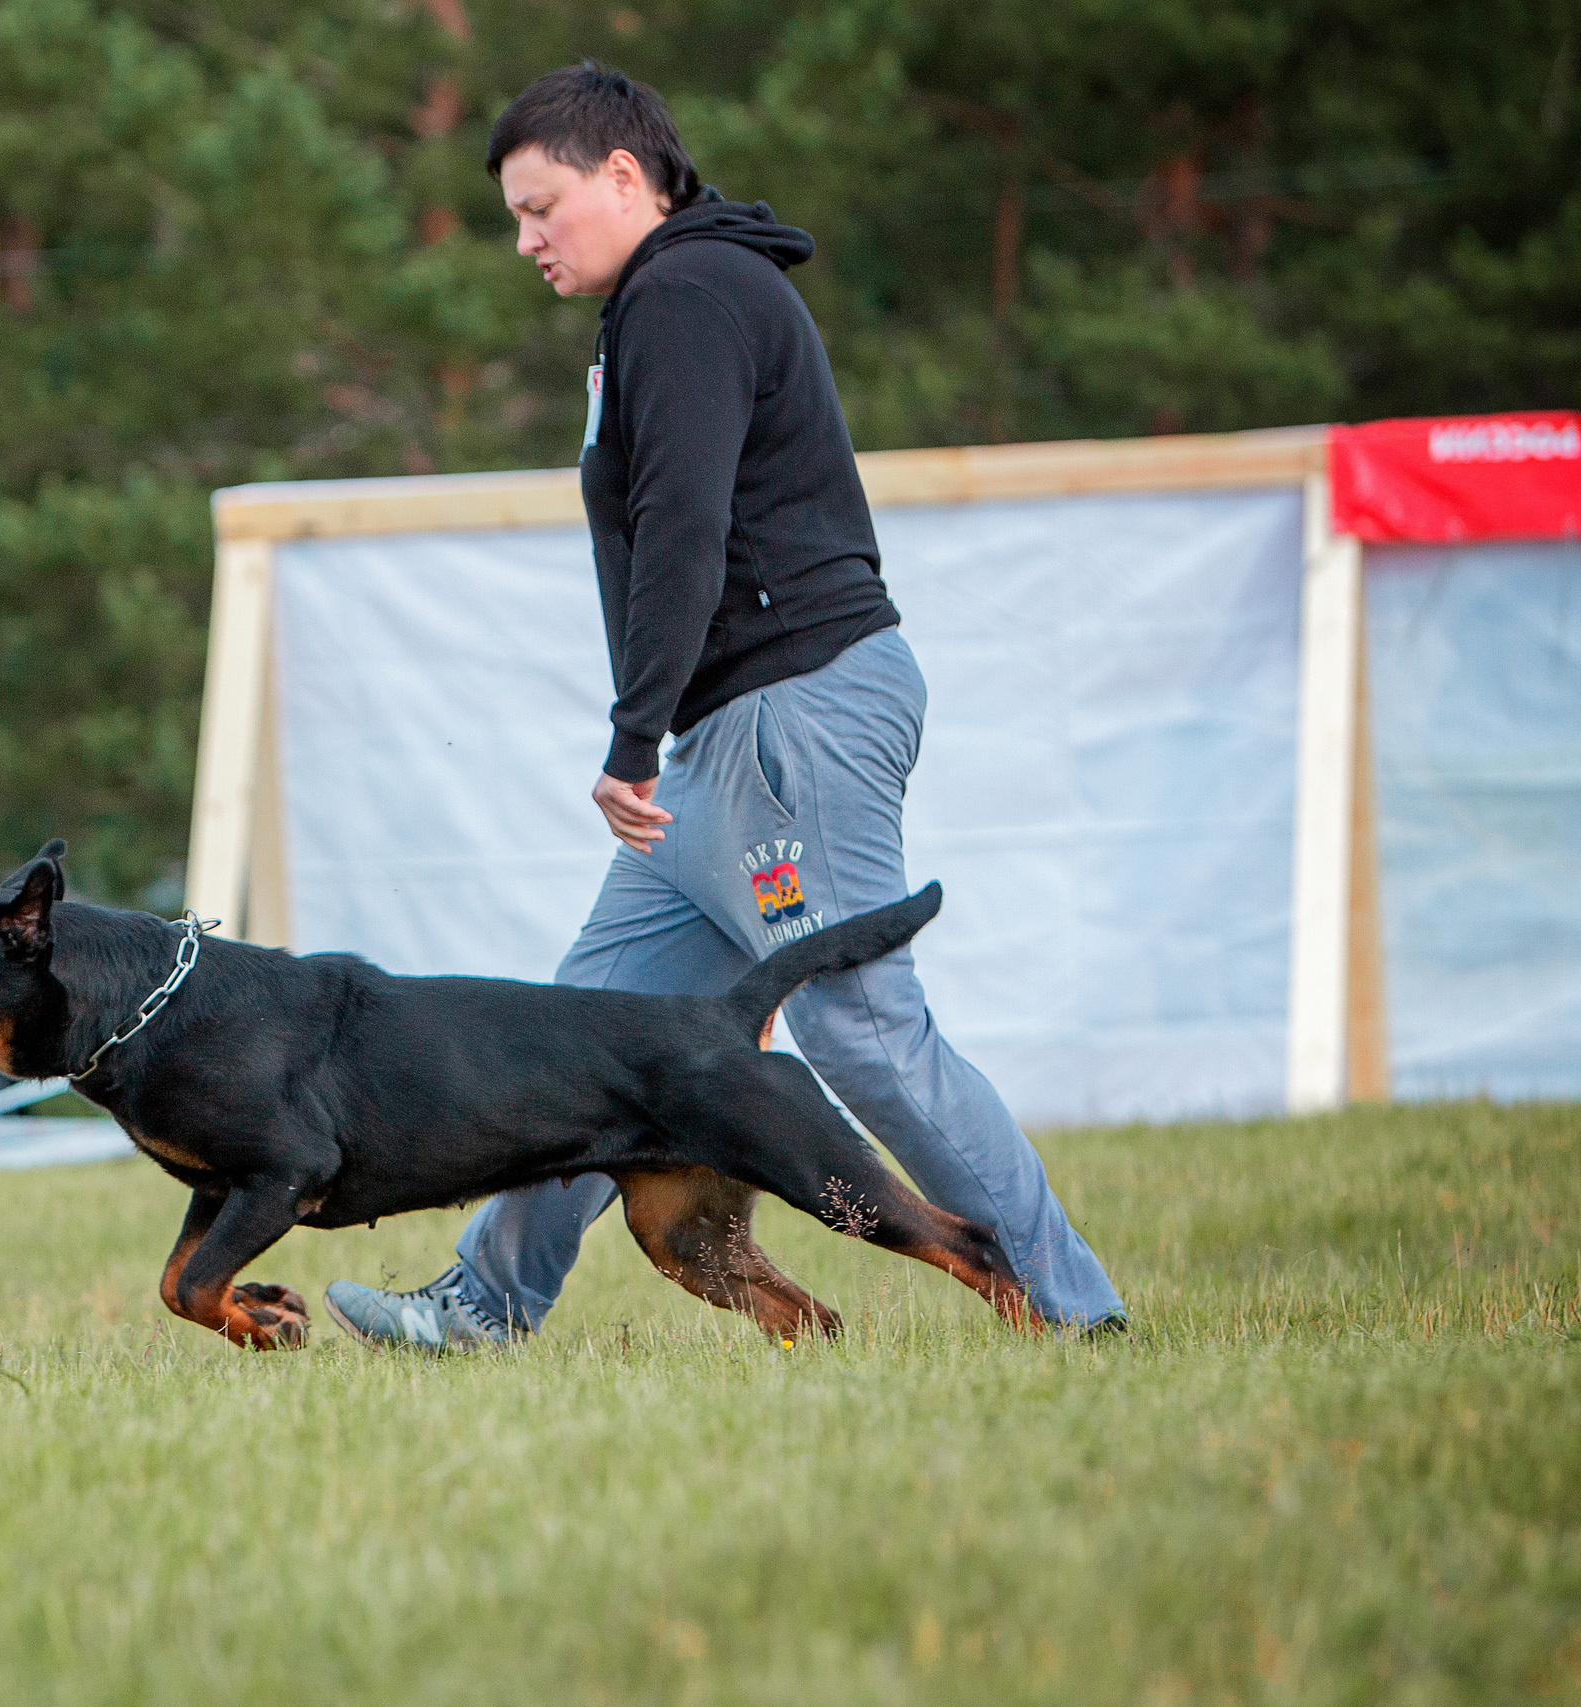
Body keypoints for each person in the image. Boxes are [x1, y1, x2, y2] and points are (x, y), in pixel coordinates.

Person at [320, 63, 1126, 1348]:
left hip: (789, 711)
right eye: (512, 217)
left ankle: (1073, 1309)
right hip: (728, 738)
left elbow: (683, 526)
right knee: (581, 1044)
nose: (523, 240)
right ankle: (481, 1303)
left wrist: (630, 733)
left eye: (542, 208)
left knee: (861, 1031)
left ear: (626, 177)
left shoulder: (686, 293)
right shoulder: (663, 298)